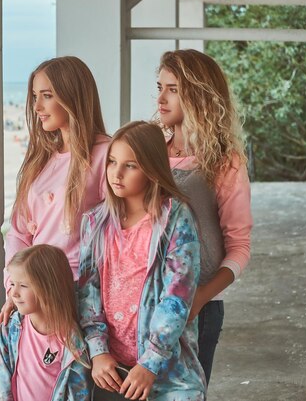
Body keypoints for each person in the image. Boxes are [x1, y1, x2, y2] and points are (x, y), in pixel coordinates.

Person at [78, 121, 205, 401]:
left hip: (168, 371)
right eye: (112, 162)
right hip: (111, 371)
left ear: (151, 168)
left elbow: (177, 298)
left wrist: (150, 362)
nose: (116, 173)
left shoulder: (175, 219)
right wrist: (98, 351)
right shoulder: (95, 222)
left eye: (130, 165)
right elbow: (88, 291)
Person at [155, 49, 253, 385]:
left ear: (198, 95)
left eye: (173, 89)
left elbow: (239, 247)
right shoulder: (148, 152)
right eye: (159, 87)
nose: (161, 98)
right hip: (145, 301)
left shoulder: (226, 163)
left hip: (200, 309)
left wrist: (200, 298)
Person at [0, 56, 111, 326]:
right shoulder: (41, 158)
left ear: (72, 96)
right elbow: (18, 231)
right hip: (33, 299)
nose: (37, 106)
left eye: (46, 96)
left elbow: (120, 231)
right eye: (35, 96)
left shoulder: (107, 154)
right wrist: (14, 288)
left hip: (78, 300)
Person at [0, 244, 92, 401]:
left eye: (23, 285)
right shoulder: (11, 329)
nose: (14, 293)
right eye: (12, 284)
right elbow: (1, 382)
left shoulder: (73, 342)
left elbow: (78, 395)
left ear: (48, 288)